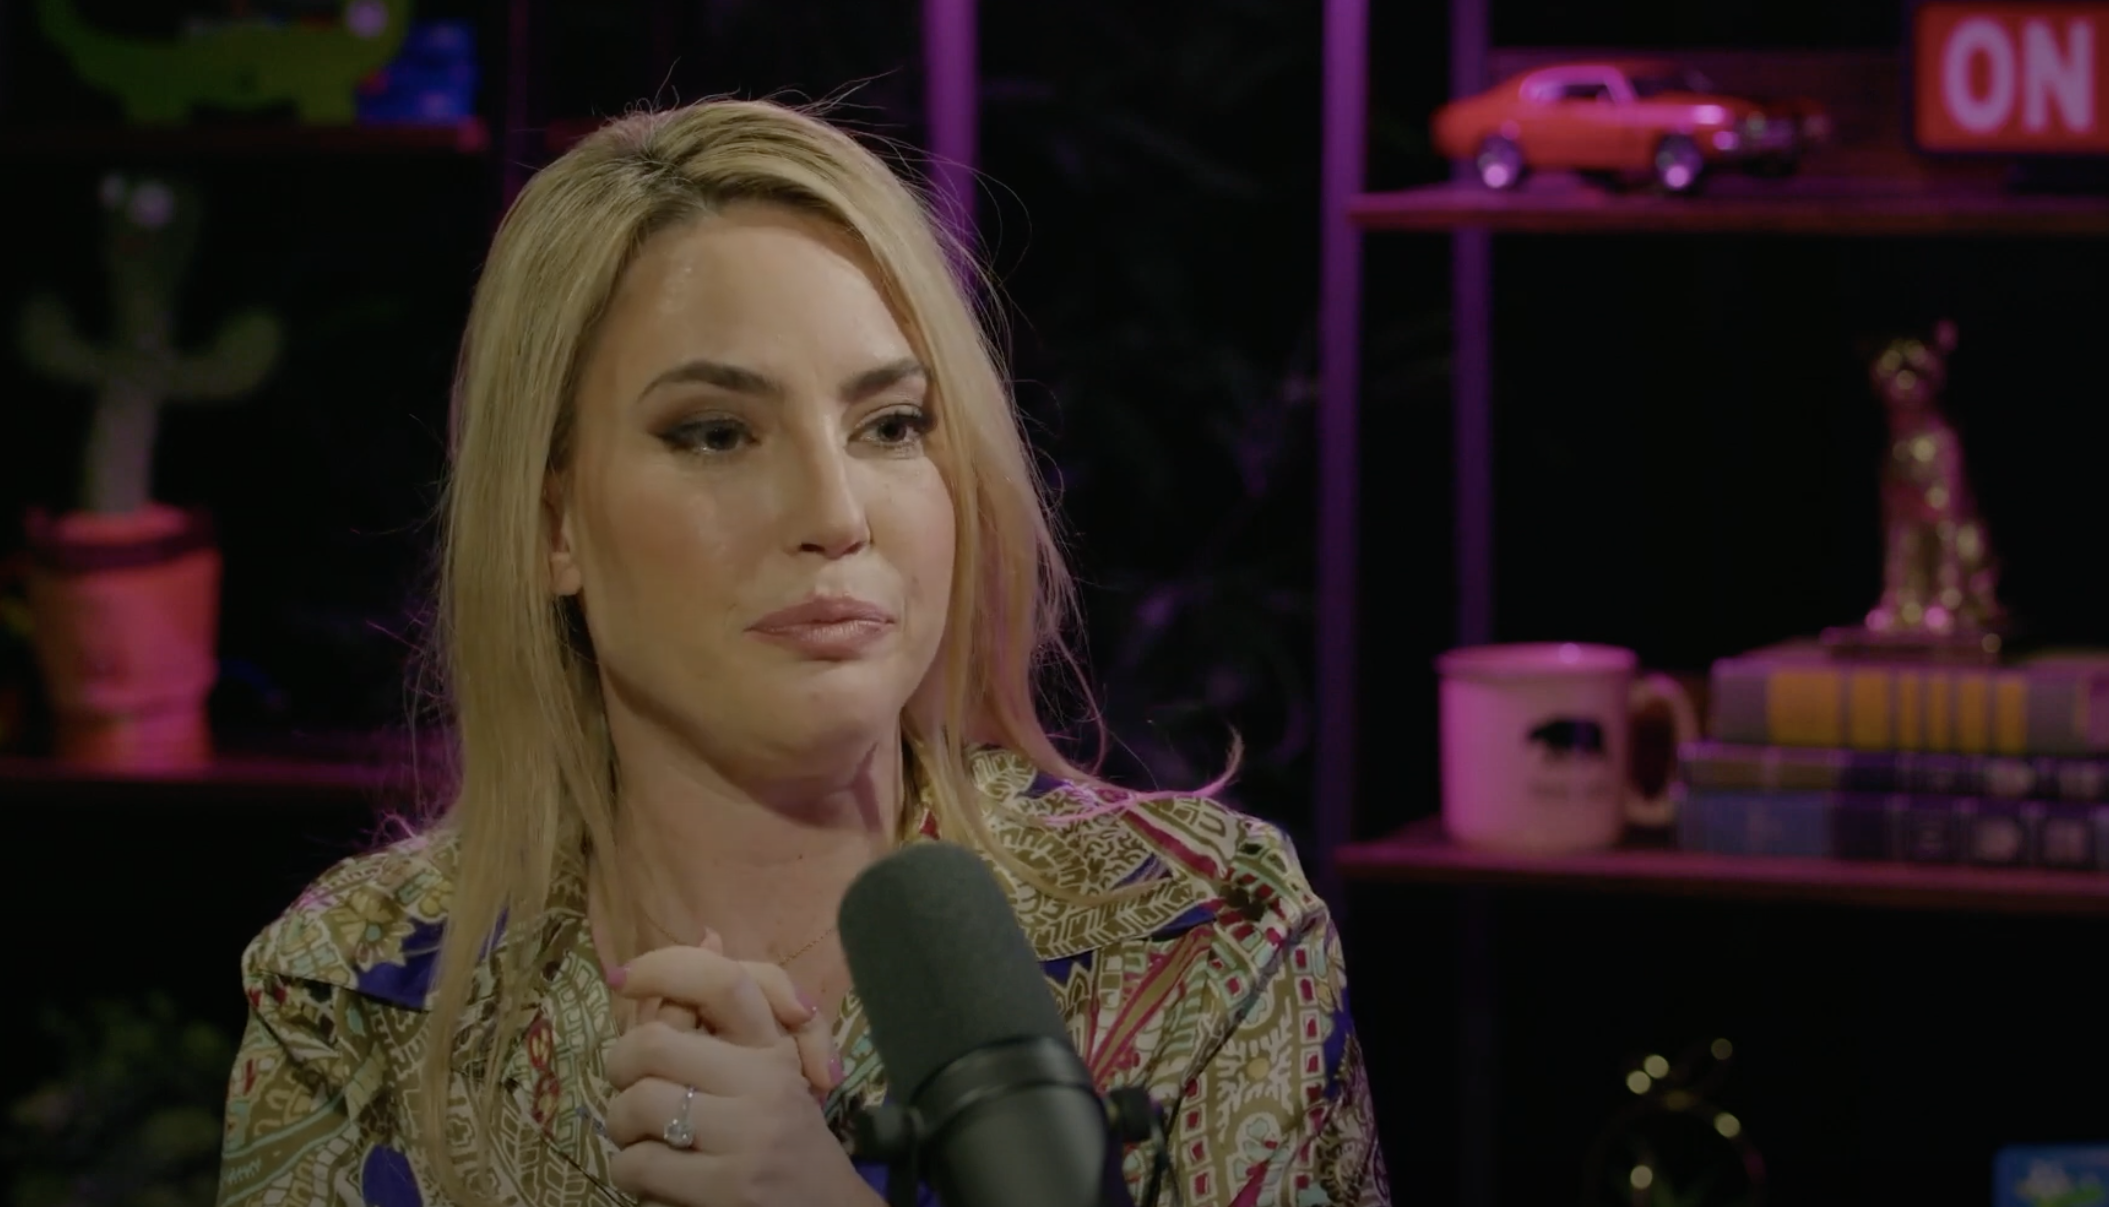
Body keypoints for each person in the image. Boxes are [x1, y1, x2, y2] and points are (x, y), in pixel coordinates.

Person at [214, 99, 1387, 1207]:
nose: (835, 511)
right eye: (716, 434)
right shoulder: (352, 987)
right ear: (552, 523)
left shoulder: (1203, 936)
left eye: (891, 425)